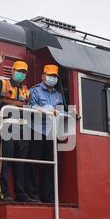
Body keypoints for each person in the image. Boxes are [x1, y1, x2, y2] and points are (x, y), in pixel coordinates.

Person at [0, 50, 37, 203]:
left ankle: (20, 193)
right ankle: (5, 193)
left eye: (24, 72)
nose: (22, 74)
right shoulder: (3, 84)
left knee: (21, 163)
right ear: (12, 71)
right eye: (19, 71)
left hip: (23, 130)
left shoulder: (27, 91)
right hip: (7, 127)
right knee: (6, 161)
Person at [26, 65, 64, 204]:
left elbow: (62, 111)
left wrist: (73, 114)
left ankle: (48, 197)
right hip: (35, 130)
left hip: (51, 133)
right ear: (43, 76)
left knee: (50, 165)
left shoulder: (58, 95)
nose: (52, 78)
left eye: (54, 76)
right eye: (50, 75)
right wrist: (40, 109)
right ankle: (33, 196)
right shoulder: (34, 90)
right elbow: (28, 106)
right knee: (33, 163)